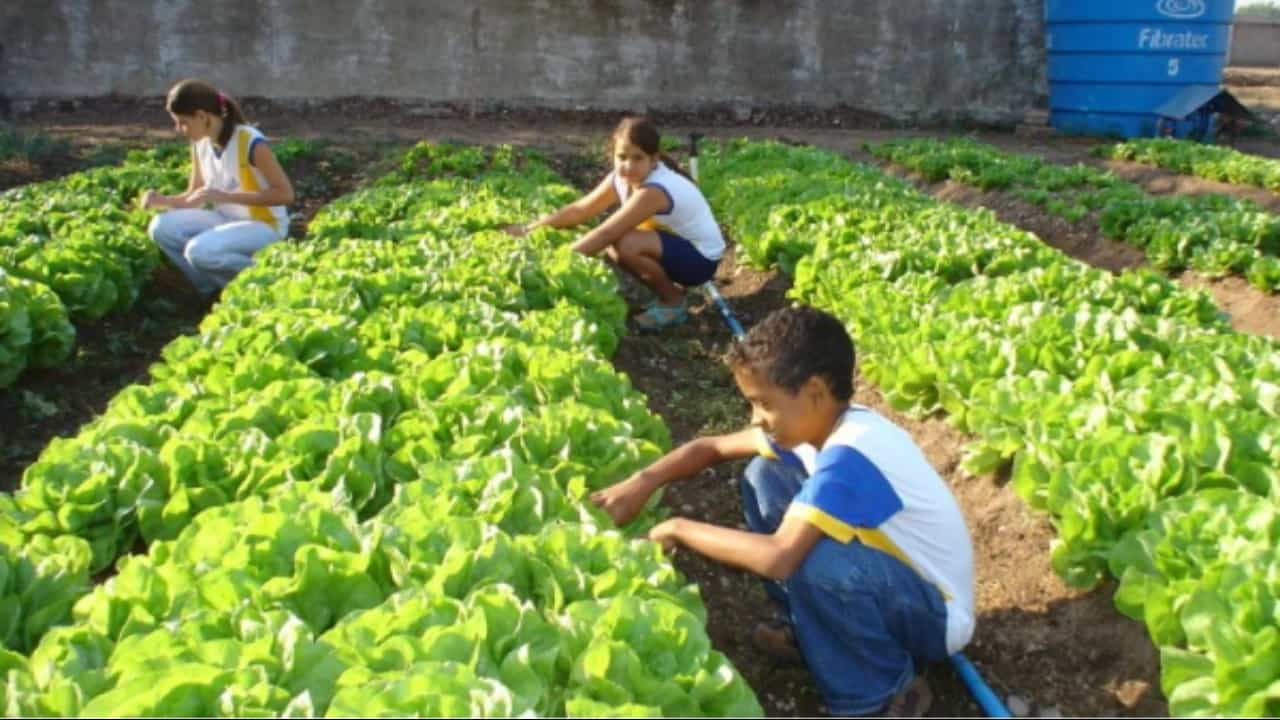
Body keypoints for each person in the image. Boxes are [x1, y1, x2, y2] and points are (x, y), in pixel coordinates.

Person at [590, 305, 976, 717]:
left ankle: (883, 694)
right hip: (891, 580)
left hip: (935, 615)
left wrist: (678, 528)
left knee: (817, 563)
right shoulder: (819, 426)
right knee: (765, 477)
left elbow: (779, 557)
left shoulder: (853, 455)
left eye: (762, 404)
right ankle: (810, 629)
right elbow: (712, 448)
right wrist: (643, 481)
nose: (756, 419)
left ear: (814, 392)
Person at [505, 116, 725, 331]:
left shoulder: (655, 190)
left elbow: (606, 233)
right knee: (619, 241)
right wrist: (529, 229)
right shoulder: (620, 179)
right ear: (613, 155)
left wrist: (556, 263)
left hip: (701, 261)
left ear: (654, 159)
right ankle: (670, 291)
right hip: (677, 246)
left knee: (623, 242)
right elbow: (579, 210)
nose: (628, 165)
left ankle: (673, 303)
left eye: (638, 158)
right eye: (622, 157)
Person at [140, 79, 294, 299]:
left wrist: (225, 196)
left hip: (263, 225)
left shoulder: (250, 141)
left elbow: (285, 194)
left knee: (199, 251)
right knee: (161, 228)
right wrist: (163, 200)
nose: (179, 129)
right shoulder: (200, 143)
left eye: (183, 122)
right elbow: (194, 195)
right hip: (225, 219)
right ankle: (211, 289)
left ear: (202, 116)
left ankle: (271, 278)